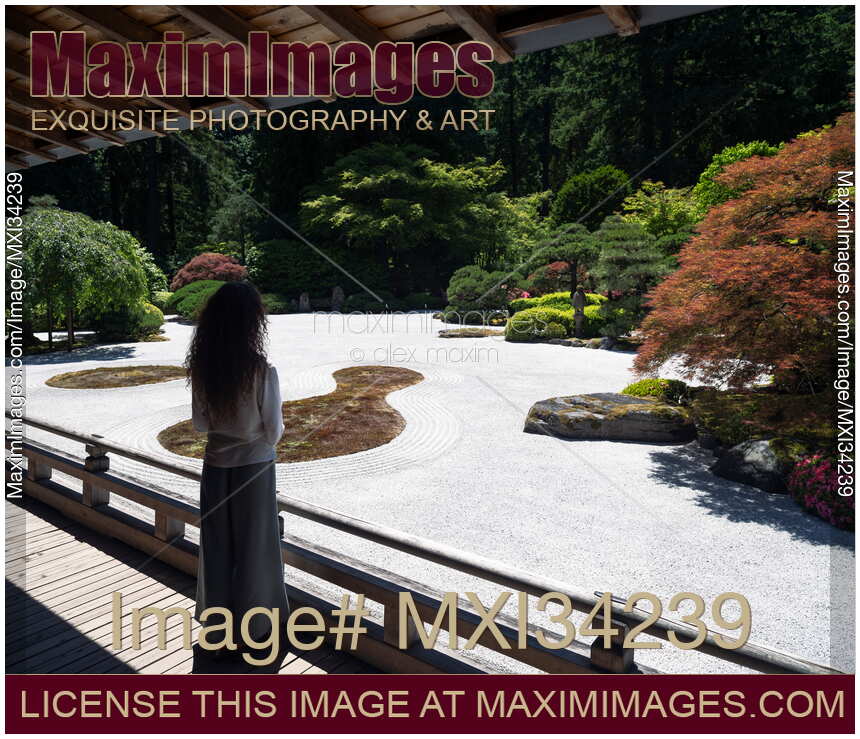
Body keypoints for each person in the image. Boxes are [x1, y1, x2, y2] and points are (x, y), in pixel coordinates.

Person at [186, 281, 289, 658]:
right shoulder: (262, 370)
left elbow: (200, 424)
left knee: (217, 546)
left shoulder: (203, 368)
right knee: (256, 547)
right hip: (255, 468)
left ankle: (218, 628)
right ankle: (256, 629)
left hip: (215, 466)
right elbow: (274, 431)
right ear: (252, 323)